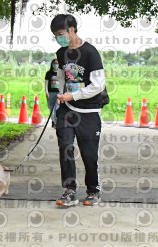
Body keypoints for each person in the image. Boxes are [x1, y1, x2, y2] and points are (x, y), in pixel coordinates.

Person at [50, 14, 105, 207]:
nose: (59, 38)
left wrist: (74, 96)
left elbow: (98, 85)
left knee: (89, 154)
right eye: (56, 35)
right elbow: (61, 79)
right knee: (65, 147)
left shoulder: (90, 52)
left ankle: (93, 190)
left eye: (61, 33)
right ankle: (70, 191)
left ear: (72, 29)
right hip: (66, 109)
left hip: (89, 111)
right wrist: (58, 102)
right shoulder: (61, 53)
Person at [44, 59, 60, 128]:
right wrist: (46, 92)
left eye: (57, 63)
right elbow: (46, 84)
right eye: (54, 63)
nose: (56, 65)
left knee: (57, 108)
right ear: (52, 64)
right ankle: (54, 120)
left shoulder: (61, 73)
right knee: (51, 109)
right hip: (50, 93)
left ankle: (57, 123)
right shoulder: (48, 73)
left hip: (58, 93)